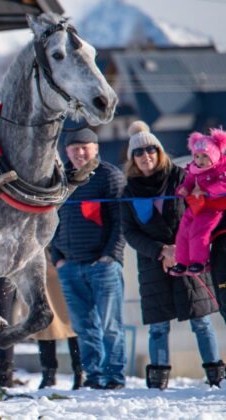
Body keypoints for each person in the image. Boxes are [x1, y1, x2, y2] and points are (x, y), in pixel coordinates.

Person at [121, 122, 223, 388]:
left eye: (151, 151)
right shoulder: (129, 190)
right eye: (139, 153)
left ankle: (215, 376)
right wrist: (161, 251)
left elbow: (198, 211)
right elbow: (130, 232)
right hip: (154, 262)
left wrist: (179, 249)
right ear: (133, 159)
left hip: (187, 254)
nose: (146, 157)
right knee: (159, 325)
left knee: (201, 320)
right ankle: (159, 379)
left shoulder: (181, 177)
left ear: (159, 152)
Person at [50, 128, 127, 390]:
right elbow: (48, 220)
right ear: (67, 152)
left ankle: (114, 376)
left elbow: (121, 221)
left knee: (110, 325)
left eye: (86, 147)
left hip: (102, 265)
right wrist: (57, 257)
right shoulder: (60, 179)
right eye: (75, 149)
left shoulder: (109, 175)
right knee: (84, 327)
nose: (80, 153)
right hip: (69, 265)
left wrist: (110, 256)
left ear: (96, 148)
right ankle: (93, 375)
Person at [169, 129, 226, 276]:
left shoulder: (221, 168)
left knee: (198, 231)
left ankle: (199, 262)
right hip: (196, 206)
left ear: (214, 156)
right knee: (183, 231)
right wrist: (183, 190)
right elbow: (187, 183)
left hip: (213, 208)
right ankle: (181, 262)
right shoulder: (194, 170)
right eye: (197, 156)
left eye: (204, 156)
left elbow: (223, 184)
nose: (200, 160)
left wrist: (207, 192)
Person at [33, 251, 83, 390]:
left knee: (73, 323)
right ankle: (48, 373)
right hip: (41, 267)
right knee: (45, 324)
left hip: (65, 263)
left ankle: (80, 372)